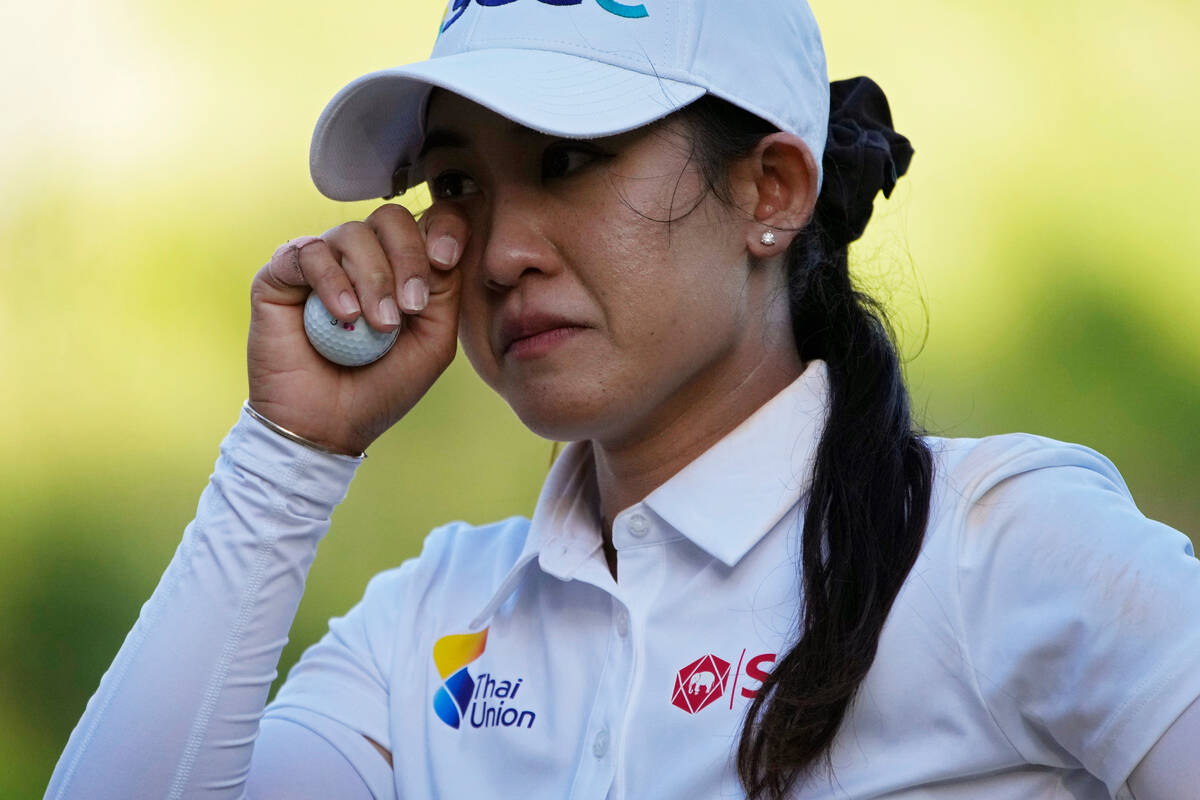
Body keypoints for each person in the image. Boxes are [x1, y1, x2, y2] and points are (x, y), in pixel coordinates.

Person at [46, 1, 1200, 798]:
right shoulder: (428, 621)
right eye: (458, 184)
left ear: (772, 187)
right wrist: (288, 452)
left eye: (568, 159)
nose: (498, 253)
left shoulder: (1004, 544)